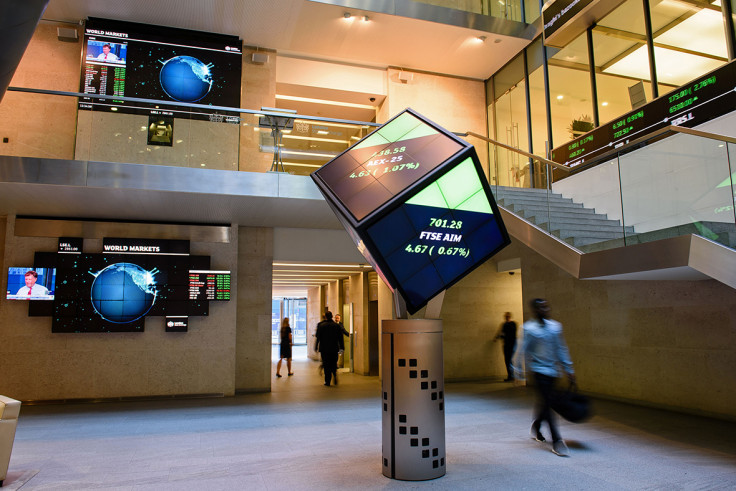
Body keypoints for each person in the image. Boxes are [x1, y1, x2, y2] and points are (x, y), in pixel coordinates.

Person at [520, 298, 576, 457]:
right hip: (538, 372)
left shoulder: (555, 327)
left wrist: (569, 370)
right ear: (535, 310)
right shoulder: (529, 328)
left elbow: (561, 349)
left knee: (546, 402)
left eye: (546, 306)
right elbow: (524, 349)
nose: (544, 309)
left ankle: (536, 426)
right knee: (548, 402)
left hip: (553, 372)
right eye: (540, 307)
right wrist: (519, 370)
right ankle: (557, 441)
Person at [314, 311, 344, 386]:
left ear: (326, 317)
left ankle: (327, 381)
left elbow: (318, 337)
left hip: (324, 349)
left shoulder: (321, 326)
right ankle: (334, 374)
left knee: (326, 364)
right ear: (332, 316)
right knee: (333, 362)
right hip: (334, 348)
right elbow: (340, 338)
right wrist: (342, 347)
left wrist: (316, 346)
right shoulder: (336, 326)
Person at [495, 312, 518, 382]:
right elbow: (502, 333)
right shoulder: (505, 324)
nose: (506, 318)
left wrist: (500, 336)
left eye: (507, 316)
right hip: (507, 344)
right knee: (508, 360)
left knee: (509, 360)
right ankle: (510, 376)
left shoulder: (512, 324)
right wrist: (498, 337)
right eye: (506, 317)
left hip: (511, 344)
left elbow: (511, 333)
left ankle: (512, 376)